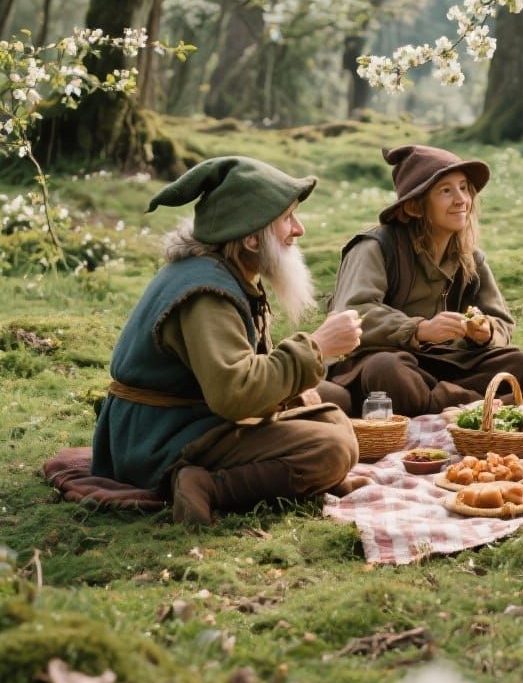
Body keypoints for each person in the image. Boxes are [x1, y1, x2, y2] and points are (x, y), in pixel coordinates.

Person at [91, 156, 365, 526]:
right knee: (331, 448)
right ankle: (205, 485)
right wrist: (315, 347)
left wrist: (296, 387)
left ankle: (308, 477)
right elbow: (234, 393)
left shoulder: (226, 270)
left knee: (333, 419)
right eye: (287, 218)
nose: (298, 229)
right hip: (158, 441)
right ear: (251, 236)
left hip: (182, 423)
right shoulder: (207, 292)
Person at [323, 144, 523, 417]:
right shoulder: (375, 247)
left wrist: (487, 332)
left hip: (442, 362)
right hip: (381, 359)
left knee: (519, 363)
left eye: (464, 187)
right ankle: (464, 406)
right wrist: (419, 329)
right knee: (387, 370)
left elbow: (501, 321)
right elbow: (354, 312)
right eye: (446, 191)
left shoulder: (470, 257)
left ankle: (429, 403)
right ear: (414, 206)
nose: (462, 200)